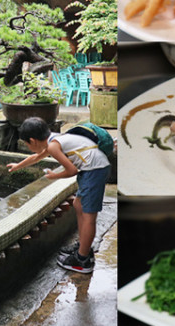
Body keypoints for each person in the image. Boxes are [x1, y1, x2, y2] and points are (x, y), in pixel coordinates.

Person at [6, 117, 111, 273]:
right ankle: (83, 246)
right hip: (91, 170)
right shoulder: (54, 139)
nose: (28, 147)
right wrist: (17, 166)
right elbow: (36, 158)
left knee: (89, 215)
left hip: (95, 171)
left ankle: (82, 259)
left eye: (27, 144)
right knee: (78, 204)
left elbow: (72, 171)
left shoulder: (54, 147)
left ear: (33, 141)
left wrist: (53, 176)